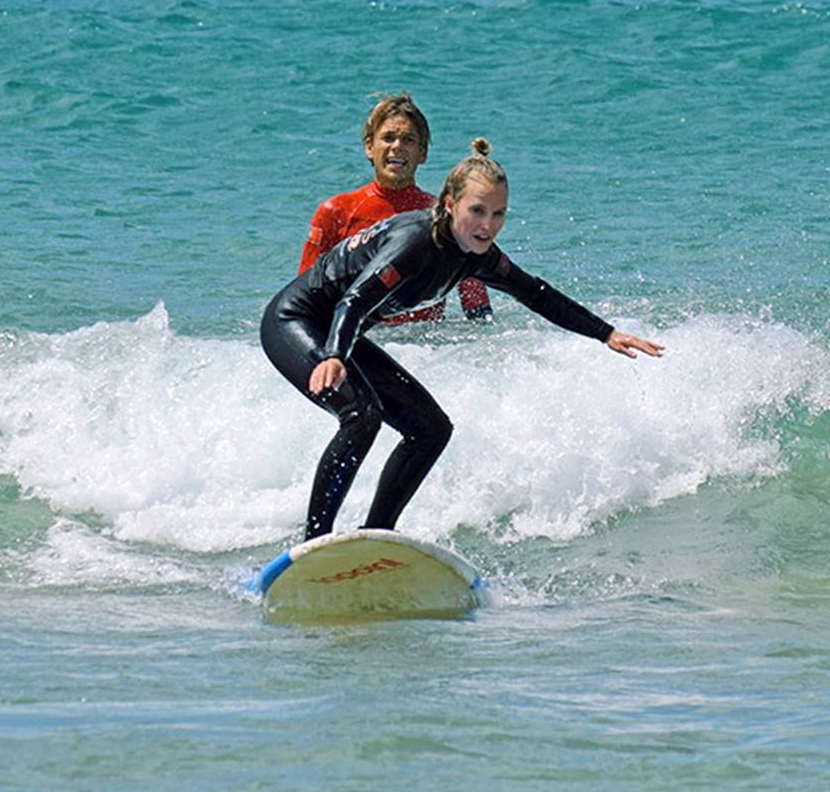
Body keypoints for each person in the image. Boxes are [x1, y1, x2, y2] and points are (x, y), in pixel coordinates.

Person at [262, 137, 665, 540]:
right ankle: (314, 541)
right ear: (450, 204)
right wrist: (334, 356)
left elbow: (536, 293)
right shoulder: (414, 243)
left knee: (430, 429)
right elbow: (355, 299)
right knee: (360, 417)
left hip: (339, 333)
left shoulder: (478, 254)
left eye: (498, 214)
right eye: (477, 211)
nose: (487, 225)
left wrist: (606, 333)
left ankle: (376, 536)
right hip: (296, 322)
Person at [298, 92, 492, 323]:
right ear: (369, 147)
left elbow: (475, 303)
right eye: (388, 138)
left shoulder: (445, 217)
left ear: (423, 153)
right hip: (358, 340)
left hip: (428, 352)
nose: (397, 146)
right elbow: (305, 299)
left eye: (408, 140)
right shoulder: (336, 212)